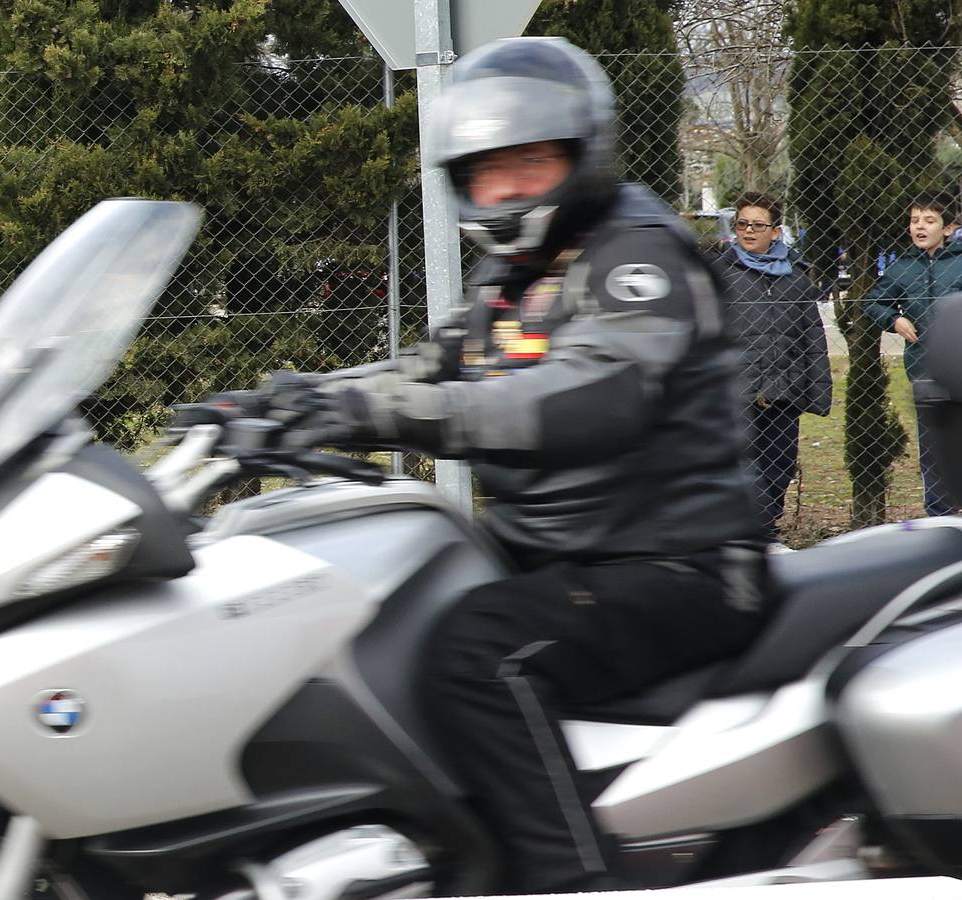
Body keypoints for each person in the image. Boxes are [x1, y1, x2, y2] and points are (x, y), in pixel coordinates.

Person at [262, 37, 766, 894]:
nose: (504, 190)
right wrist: (284, 400)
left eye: (529, 162)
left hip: (673, 563)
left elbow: (582, 398)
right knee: (375, 613)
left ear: (581, 156)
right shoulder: (513, 272)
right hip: (567, 553)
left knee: (476, 654)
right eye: (486, 169)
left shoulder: (635, 256)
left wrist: (367, 413)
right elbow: (426, 370)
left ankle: (565, 878)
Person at [711, 192, 832, 547]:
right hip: (735, 389)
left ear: (775, 232)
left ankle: (765, 532)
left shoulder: (795, 278)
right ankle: (744, 535)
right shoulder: (719, 274)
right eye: (742, 224)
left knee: (779, 465)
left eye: (758, 225)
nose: (749, 231)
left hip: (782, 389)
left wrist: (818, 389)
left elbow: (812, 335)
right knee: (740, 465)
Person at [862, 192, 962, 516]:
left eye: (929, 220)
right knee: (933, 448)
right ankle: (940, 518)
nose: (919, 226)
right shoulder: (902, 267)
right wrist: (894, 320)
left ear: (949, 228)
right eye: (914, 220)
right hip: (925, 371)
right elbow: (872, 302)